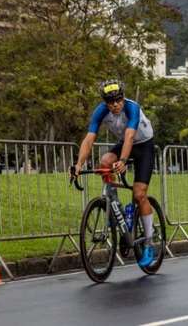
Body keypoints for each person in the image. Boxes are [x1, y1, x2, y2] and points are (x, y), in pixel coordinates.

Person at [74, 80, 157, 268]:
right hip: (124, 144)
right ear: (105, 102)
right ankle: (117, 207)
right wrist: (78, 164)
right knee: (104, 162)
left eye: (118, 100)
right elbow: (89, 139)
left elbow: (129, 136)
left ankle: (149, 243)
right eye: (110, 102)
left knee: (139, 194)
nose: (115, 105)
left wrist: (124, 161)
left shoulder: (132, 108)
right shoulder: (101, 111)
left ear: (122, 97)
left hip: (143, 146)